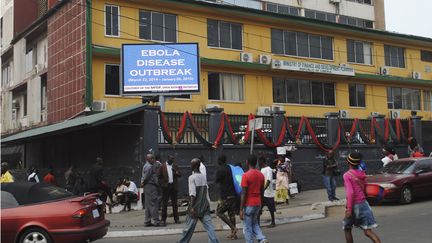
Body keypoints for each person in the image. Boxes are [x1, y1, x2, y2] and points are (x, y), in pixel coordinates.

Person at [178, 158, 219, 243]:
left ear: (195, 165)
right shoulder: (203, 177)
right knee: (210, 228)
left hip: (195, 207)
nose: (190, 166)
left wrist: (192, 207)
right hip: (204, 206)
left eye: (191, 164)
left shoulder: (191, 178)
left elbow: (193, 194)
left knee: (188, 229)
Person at [343, 152, 381, 243]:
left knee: (347, 228)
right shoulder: (362, 174)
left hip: (354, 205)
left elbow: (350, 193)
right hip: (364, 204)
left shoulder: (347, 175)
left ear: (348, 163)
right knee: (368, 231)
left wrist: (349, 209)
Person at [240, 154, 268, 243]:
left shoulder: (245, 175)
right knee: (255, 223)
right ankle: (262, 239)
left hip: (249, 204)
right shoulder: (261, 175)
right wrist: (262, 205)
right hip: (258, 203)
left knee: (248, 227)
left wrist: (240, 209)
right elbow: (262, 191)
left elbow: (243, 193)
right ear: (256, 163)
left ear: (247, 162)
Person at [215, 155, 239, 240]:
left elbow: (216, 180)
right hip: (233, 194)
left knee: (219, 212)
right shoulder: (230, 167)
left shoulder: (220, 169)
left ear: (220, 161)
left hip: (225, 195)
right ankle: (234, 234)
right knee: (231, 215)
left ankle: (233, 228)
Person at [141, 153, 163, 227]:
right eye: (152, 158)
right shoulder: (150, 167)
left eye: (153, 158)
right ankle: (156, 221)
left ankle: (147, 221)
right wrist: (143, 182)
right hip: (151, 186)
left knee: (148, 205)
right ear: (148, 159)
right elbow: (146, 177)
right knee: (154, 204)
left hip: (147, 186)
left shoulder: (145, 165)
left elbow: (143, 177)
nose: (153, 160)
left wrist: (143, 183)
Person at [160, 155, 182, 224]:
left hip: (173, 186)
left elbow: (180, 174)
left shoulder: (175, 166)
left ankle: (176, 219)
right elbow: (159, 176)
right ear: (168, 159)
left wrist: (177, 173)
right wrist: (162, 184)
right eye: (171, 159)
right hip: (166, 186)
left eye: (173, 159)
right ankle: (163, 219)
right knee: (164, 204)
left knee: (174, 204)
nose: (172, 160)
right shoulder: (162, 166)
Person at [259, 156, 276, 228]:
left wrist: (263, 189)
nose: (258, 163)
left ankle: (273, 222)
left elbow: (268, 180)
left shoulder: (268, 169)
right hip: (263, 193)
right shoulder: (262, 169)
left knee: (271, 209)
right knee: (259, 208)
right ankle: (257, 223)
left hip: (268, 193)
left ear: (262, 161)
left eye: (259, 161)